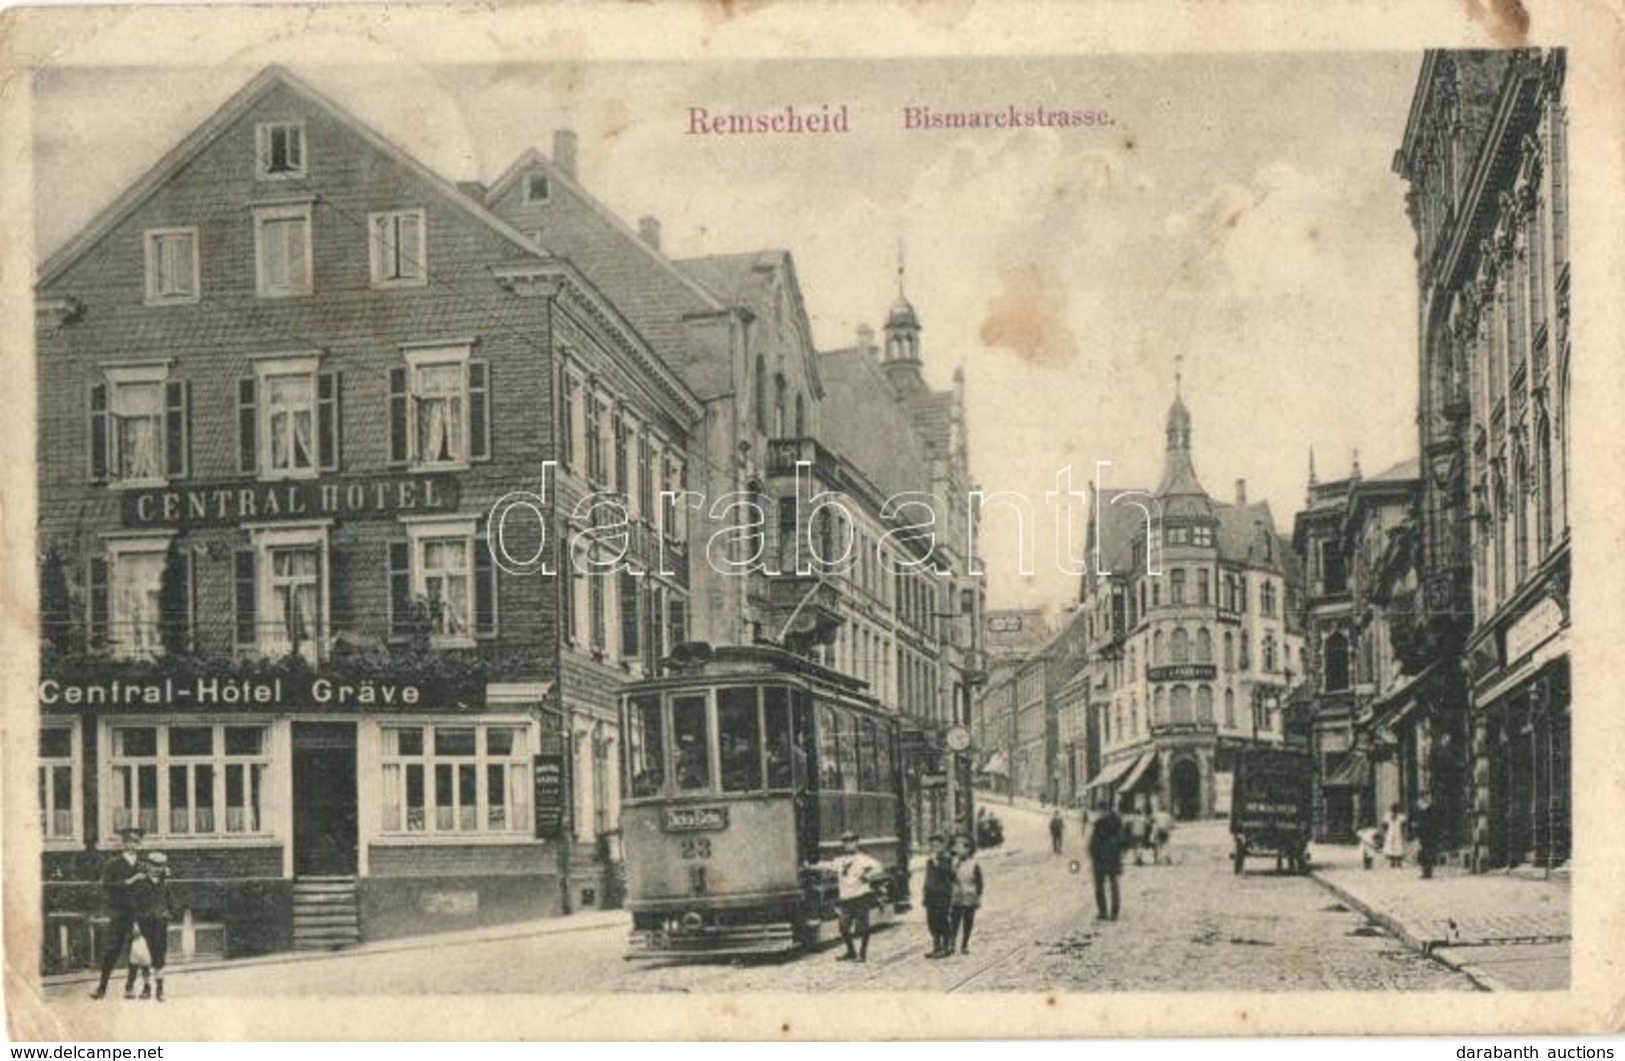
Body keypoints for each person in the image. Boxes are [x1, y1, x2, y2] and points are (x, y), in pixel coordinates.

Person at [806, 831, 883, 963]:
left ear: (856, 843)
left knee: (863, 927)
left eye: (851, 842)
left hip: (860, 896)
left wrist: (866, 876)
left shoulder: (863, 859)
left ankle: (862, 954)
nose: (848, 845)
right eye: (846, 843)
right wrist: (810, 867)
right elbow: (826, 865)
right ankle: (851, 951)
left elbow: (878, 867)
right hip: (846, 898)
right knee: (843, 926)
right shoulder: (840, 861)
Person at [89, 828, 144, 1000]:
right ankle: (102, 987)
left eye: (136, 841)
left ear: (139, 844)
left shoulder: (143, 864)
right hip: (120, 912)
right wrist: (129, 881)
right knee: (112, 949)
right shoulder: (113, 863)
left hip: (139, 914)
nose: (132, 845)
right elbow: (106, 885)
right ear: (123, 843)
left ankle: (129, 988)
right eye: (128, 841)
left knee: (136, 951)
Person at [123, 852, 173, 1002]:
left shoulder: (165, 885)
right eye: (154, 865)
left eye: (160, 866)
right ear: (148, 866)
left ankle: (160, 990)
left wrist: (168, 913)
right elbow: (132, 907)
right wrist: (134, 924)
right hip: (143, 927)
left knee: (159, 958)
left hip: (159, 927)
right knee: (142, 957)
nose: (157, 869)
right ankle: (145, 987)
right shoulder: (141, 885)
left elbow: (172, 905)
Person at [921, 833, 956, 958]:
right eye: (932, 846)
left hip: (943, 895)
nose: (934, 848)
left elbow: (951, 875)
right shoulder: (930, 861)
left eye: (936, 846)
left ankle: (946, 947)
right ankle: (937, 948)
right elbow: (928, 878)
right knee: (932, 922)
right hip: (931, 896)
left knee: (942, 921)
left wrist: (937, 863)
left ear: (942, 846)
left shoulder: (947, 859)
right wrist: (925, 894)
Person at [1086, 806, 1125, 921]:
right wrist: (1119, 855)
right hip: (1114, 859)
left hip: (1100, 860)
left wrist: (1093, 856)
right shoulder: (1118, 824)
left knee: (1099, 886)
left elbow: (1093, 842)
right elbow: (1123, 842)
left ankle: (1103, 911)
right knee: (1114, 885)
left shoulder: (1099, 823)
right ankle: (1114, 912)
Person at [948, 834, 984, 955]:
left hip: (969, 897)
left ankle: (964, 945)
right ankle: (952, 943)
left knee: (968, 922)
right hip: (956, 897)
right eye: (956, 847)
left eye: (961, 847)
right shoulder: (953, 863)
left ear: (968, 850)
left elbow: (979, 882)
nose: (957, 850)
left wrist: (978, 897)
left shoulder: (974, 864)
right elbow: (949, 879)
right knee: (954, 921)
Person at [1413, 794, 1439, 880]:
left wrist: (1417, 826)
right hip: (1426, 835)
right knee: (1425, 854)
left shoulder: (1426, 811)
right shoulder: (1426, 811)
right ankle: (1427, 871)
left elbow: (1426, 823)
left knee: (1426, 854)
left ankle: (1427, 872)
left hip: (1427, 835)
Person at [1381, 802, 1409, 869]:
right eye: (1393, 809)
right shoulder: (1387, 816)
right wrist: (1385, 832)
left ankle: (1399, 861)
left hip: (1398, 833)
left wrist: (1404, 833)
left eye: (1396, 809)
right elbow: (1384, 825)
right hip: (1390, 833)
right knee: (1391, 846)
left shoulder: (1401, 816)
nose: (1394, 811)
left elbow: (1404, 825)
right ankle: (1392, 861)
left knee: (1399, 846)